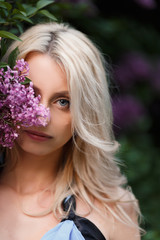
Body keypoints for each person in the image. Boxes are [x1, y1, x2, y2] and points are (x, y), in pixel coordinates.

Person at [0, 22, 141, 240]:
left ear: (87, 113)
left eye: (63, 102)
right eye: (30, 93)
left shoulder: (113, 211)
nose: (41, 116)